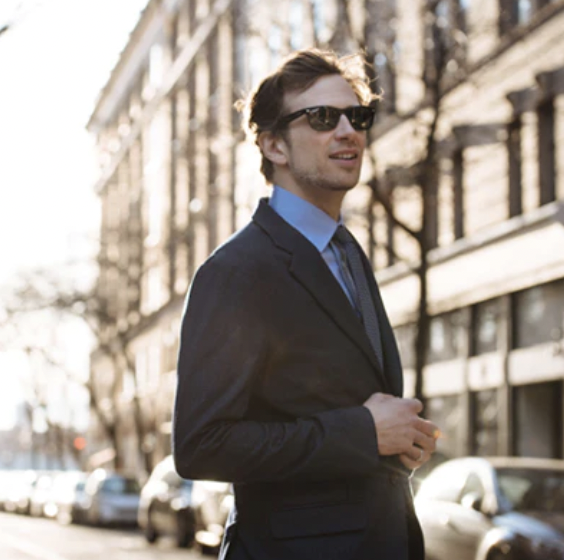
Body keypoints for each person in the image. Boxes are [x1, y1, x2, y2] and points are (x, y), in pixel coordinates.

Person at [173, 48, 439, 560]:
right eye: (322, 117)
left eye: (356, 116)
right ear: (273, 145)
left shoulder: (347, 254)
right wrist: (363, 433)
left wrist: (398, 447)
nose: (348, 131)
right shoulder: (236, 272)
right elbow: (201, 444)